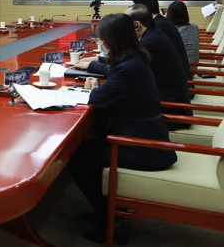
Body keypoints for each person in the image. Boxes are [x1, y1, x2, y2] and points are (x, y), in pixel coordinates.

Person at [69, 14, 177, 243]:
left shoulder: (128, 68)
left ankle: (110, 218)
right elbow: (115, 75)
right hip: (146, 135)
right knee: (86, 148)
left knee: (79, 158)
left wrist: (94, 86)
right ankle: (108, 207)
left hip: (143, 147)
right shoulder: (136, 58)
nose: (101, 44)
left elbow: (97, 99)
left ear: (112, 40)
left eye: (102, 39)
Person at [126, 4, 192, 129]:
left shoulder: (150, 42)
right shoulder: (154, 34)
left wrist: (93, 65)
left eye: (125, 24)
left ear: (136, 25)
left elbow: (127, 69)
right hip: (170, 102)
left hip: (171, 113)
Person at [130, 0, 192, 79]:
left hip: (173, 85)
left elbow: (139, 58)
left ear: (142, 9)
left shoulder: (156, 27)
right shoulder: (162, 22)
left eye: (134, 7)